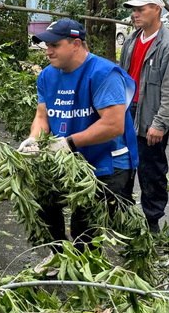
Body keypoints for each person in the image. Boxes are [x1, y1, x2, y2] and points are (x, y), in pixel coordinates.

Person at [18, 18, 138, 251]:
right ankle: (58, 258)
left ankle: (86, 274)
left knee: (85, 225)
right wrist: (34, 138)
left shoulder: (104, 73)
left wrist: (68, 143)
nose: (48, 52)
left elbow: (114, 125)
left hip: (107, 163)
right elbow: (43, 116)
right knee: (45, 201)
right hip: (69, 158)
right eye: (47, 46)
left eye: (54, 45)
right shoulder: (47, 76)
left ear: (75, 44)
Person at [119, 0, 169, 233]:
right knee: (123, 167)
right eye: (133, 10)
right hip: (127, 113)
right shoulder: (131, 40)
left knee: (151, 171)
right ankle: (123, 218)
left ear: (157, 9)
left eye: (140, 9)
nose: (134, 14)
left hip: (151, 116)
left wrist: (161, 123)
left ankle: (151, 222)